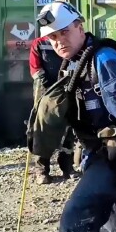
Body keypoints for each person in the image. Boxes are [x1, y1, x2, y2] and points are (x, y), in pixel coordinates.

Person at [36, 1, 116, 232]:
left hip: (113, 154)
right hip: (95, 150)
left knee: (76, 220)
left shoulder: (104, 60)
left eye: (64, 32)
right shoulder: (75, 61)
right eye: (52, 37)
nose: (59, 41)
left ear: (80, 27)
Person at [29, 35, 77, 184]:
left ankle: (67, 167)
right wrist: (48, 90)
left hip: (69, 88)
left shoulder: (72, 39)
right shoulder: (39, 43)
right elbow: (36, 69)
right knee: (43, 128)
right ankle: (41, 169)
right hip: (47, 92)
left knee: (69, 127)